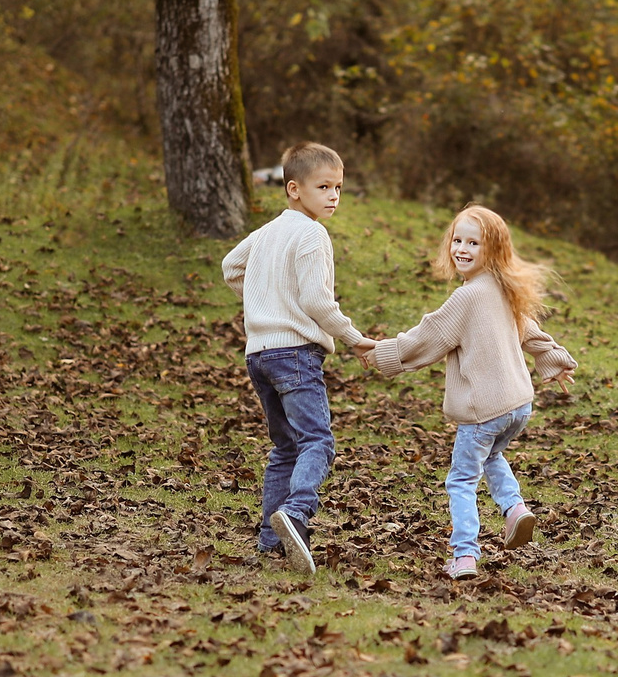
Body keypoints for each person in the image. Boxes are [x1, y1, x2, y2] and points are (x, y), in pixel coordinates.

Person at [358, 205, 576, 580]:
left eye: (473, 242)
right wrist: (552, 356)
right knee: (490, 455)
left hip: (484, 409)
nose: (462, 248)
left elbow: (428, 336)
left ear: (492, 250)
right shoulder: (503, 289)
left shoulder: (467, 298)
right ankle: (515, 509)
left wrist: (380, 353)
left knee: (461, 479)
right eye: (457, 240)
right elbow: (529, 330)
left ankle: (464, 556)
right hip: (517, 406)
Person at [221, 143, 371, 574]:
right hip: (296, 354)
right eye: (323, 187)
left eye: (338, 188)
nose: (333, 197)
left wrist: (262, 305)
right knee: (317, 442)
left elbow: (231, 266)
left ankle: (272, 542)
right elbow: (318, 303)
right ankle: (297, 512)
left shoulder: (268, 232)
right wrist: (354, 338)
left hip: (260, 355)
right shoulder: (311, 234)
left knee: (285, 448)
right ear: (293, 188)